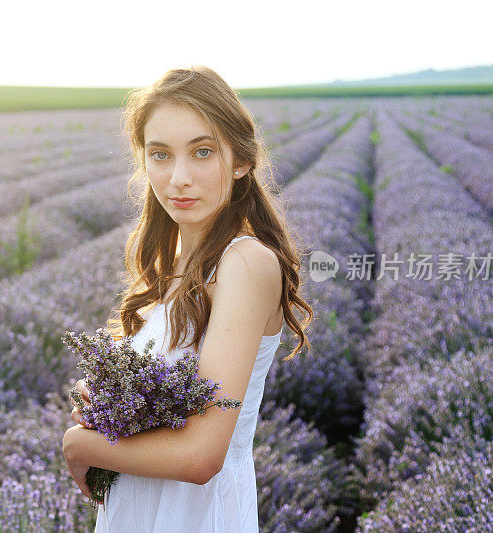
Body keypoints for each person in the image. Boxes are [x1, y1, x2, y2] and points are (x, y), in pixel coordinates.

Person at [62, 65, 313, 532]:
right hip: (140, 509)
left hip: (194, 517)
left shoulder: (244, 264)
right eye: (160, 154)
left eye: (202, 152)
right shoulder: (170, 264)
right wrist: (109, 410)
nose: (179, 178)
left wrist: (81, 447)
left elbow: (201, 457)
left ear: (241, 160)